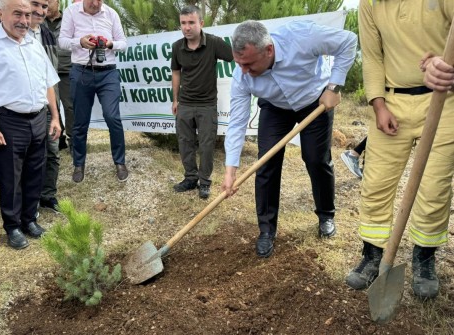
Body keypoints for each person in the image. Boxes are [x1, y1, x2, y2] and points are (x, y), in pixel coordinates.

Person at [345, 0, 454, 299]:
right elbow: (371, 56)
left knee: (434, 187)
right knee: (376, 183)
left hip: (443, 101)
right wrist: (378, 104)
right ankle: (372, 254)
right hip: (392, 102)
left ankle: (424, 258)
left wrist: (446, 67)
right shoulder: (369, 4)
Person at [221, 20, 357, 258]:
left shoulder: (301, 36)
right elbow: (237, 122)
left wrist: (334, 87)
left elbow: (348, 41)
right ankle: (266, 230)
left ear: (269, 50)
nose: (244, 71)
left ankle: (326, 214)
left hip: (315, 100)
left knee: (316, 159)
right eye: (239, 63)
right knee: (265, 164)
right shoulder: (242, 75)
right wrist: (230, 168)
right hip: (275, 108)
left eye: (250, 64)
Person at [0, 0, 61, 250]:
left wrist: (55, 117)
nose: (24, 21)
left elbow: (48, 81)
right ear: (2, 13)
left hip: (38, 118)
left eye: (28, 15)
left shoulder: (33, 43)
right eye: (17, 14)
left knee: (34, 173)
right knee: (10, 178)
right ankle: (13, 226)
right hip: (7, 121)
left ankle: (29, 220)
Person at [59, 0, 128, 183]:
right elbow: (62, 41)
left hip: (108, 73)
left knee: (112, 117)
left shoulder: (111, 13)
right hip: (81, 71)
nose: (96, 3)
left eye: (99, 0)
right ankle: (78, 164)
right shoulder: (71, 12)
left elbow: (123, 43)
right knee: (80, 122)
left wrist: (110, 44)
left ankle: (120, 162)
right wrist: (80, 42)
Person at [171, 5, 233, 199]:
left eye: (191, 22)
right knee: (185, 142)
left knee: (206, 145)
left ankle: (204, 182)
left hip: (207, 105)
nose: (187, 27)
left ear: (201, 23)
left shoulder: (214, 43)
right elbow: (176, 73)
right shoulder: (177, 47)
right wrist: (175, 99)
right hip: (185, 104)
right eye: (183, 23)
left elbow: (236, 58)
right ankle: (190, 178)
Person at [28, 0, 61, 213]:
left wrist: (56, 112)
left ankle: (48, 195)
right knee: (30, 155)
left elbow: (51, 76)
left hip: (48, 104)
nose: (41, 11)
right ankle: (29, 199)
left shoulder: (48, 35)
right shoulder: (13, 35)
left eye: (44, 6)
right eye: (35, 5)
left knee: (52, 151)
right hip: (24, 108)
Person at [45, 0, 71, 152]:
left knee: (70, 107)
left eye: (50, 1)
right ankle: (58, 139)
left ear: (58, 2)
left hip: (67, 69)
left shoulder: (69, 20)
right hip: (47, 73)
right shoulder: (38, 21)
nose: (47, 5)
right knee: (51, 107)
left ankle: (73, 140)